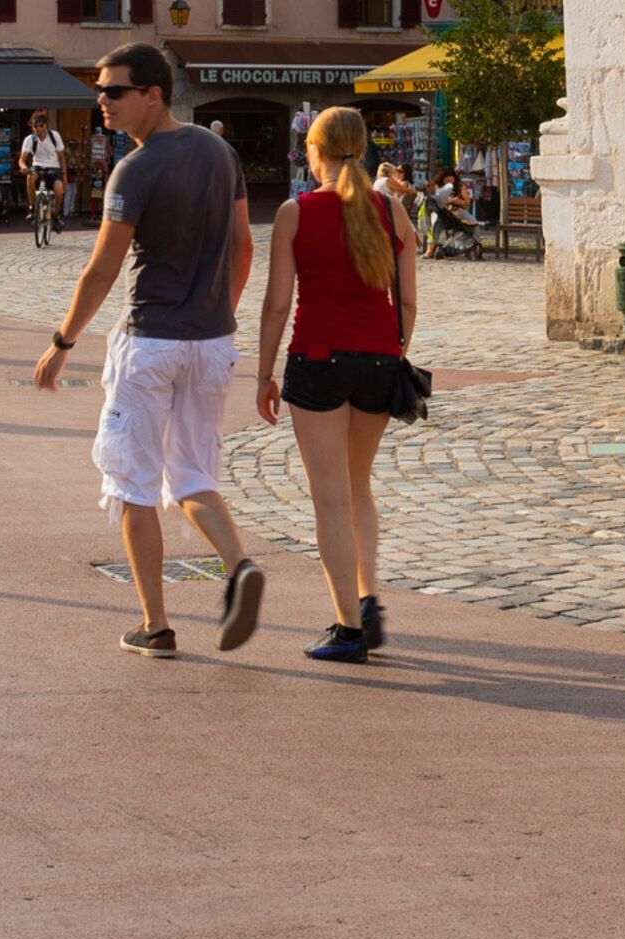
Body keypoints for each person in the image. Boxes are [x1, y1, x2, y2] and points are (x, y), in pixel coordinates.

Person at [31, 42, 265, 657]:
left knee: (132, 483)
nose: (101, 101)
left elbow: (102, 269)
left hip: (151, 341)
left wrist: (62, 342)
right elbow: (243, 246)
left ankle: (155, 624)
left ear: (152, 94)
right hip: (213, 342)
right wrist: (221, 314)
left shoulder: (135, 169)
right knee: (191, 475)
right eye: (99, 90)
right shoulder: (221, 153)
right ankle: (239, 564)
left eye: (113, 91)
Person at [255, 108, 420, 663]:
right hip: (378, 361)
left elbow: (279, 303)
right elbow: (409, 301)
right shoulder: (391, 210)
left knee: (329, 497)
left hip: (318, 358)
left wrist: (263, 373)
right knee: (359, 486)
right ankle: (368, 598)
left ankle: (347, 628)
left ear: (313, 150)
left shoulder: (294, 213)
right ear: (365, 148)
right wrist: (395, 349)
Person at [22, 114, 69, 245]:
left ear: (46, 125)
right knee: (30, 177)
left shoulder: (54, 136)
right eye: (35, 126)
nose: (38, 129)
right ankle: (32, 207)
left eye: (41, 126)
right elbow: (22, 159)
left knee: (59, 190)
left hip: (54, 168)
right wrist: (23, 167)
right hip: (38, 166)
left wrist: (64, 176)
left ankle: (55, 215)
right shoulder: (30, 139)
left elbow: (61, 157)